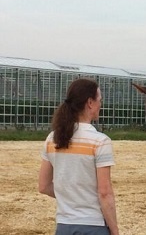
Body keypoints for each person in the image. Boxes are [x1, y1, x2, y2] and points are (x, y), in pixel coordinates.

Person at [38, 78, 120, 235]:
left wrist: (70, 196)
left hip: (63, 226)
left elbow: (43, 186)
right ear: (90, 103)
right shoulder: (100, 141)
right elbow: (104, 193)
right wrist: (115, 230)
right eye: (99, 100)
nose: (100, 105)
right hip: (93, 225)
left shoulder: (52, 139)